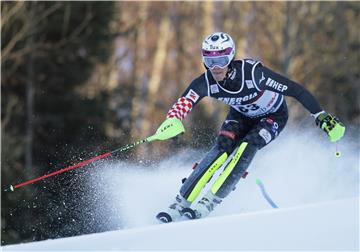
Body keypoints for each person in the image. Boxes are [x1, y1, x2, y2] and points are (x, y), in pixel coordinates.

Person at [154, 32, 345, 223]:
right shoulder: (206, 82)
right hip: (241, 117)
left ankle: (211, 200)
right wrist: (173, 119)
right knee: (222, 148)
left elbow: (296, 90)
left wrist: (320, 116)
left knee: (248, 145)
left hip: (273, 116)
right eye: (210, 61)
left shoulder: (254, 75)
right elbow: (185, 101)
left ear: (230, 58)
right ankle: (181, 202)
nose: (216, 68)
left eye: (221, 60)